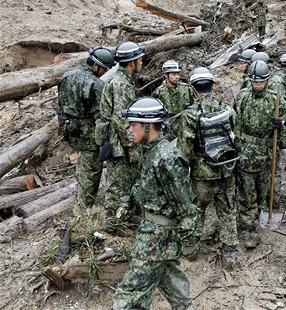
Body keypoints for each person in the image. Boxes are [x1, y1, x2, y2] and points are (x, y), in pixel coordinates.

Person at [112, 97, 198, 310]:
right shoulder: (150, 151)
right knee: (175, 287)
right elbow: (144, 184)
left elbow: (184, 204)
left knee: (129, 297)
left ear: (149, 126)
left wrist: (189, 239)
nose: (129, 129)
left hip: (156, 237)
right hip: (157, 235)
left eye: (133, 124)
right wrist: (128, 201)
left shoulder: (166, 157)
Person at [176, 67, 239, 270]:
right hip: (225, 171)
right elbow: (236, 140)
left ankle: (191, 250)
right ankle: (229, 254)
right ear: (213, 86)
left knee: (196, 210)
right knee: (227, 209)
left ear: (193, 88)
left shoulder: (190, 114)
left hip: (202, 174)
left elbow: (183, 149)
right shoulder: (228, 110)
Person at [234, 61, 286, 248]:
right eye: (254, 82)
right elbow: (233, 122)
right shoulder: (242, 97)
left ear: (267, 81)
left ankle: (256, 218)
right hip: (245, 153)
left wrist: (281, 125)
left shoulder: (277, 100)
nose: (257, 85)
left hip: (267, 154)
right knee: (246, 194)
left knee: (262, 192)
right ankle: (248, 230)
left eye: (261, 82)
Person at [57, 47, 114, 214]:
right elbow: (101, 116)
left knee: (82, 167)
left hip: (70, 130)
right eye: (104, 69)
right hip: (89, 136)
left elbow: (60, 106)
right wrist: (105, 140)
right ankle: (83, 210)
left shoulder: (67, 75)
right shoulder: (96, 84)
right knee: (91, 172)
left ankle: (80, 202)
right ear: (97, 66)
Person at [97, 41, 145, 232]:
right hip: (119, 144)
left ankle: (124, 218)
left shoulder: (121, 81)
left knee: (126, 182)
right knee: (118, 185)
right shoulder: (121, 84)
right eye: (140, 60)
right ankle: (113, 225)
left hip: (118, 141)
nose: (142, 63)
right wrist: (132, 146)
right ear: (132, 63)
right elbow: (121, 119)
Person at [153, 60, 194, 141]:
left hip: (185, 126)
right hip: (167, 129)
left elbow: (194, 106)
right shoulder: (159, 92)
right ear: (165, 75)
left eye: (178, 74)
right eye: (173, 74)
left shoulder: (186, 89)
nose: (177, 77)